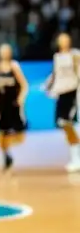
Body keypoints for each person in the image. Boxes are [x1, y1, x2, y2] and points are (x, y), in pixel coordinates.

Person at [0, 43, 28, 172]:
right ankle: (6, 156)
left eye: (7, 51)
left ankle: (8, 145)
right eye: (2, 51)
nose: (4, 53)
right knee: (1, 133)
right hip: (1, 104)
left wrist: (21, 98)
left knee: (20, 134)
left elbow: (24, 84)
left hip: (13, 104)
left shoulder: (14, 66)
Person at [44, 32, 80, 172]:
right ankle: (75, 156)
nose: (64, 41)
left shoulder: (75, 55)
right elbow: (55, 74)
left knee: (69, 124)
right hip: (61, 94)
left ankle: (76, 158)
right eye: (61, 39)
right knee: (64, 124)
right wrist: (49, 85)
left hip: (72, 93)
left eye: (66, 39)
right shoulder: (57, 57)